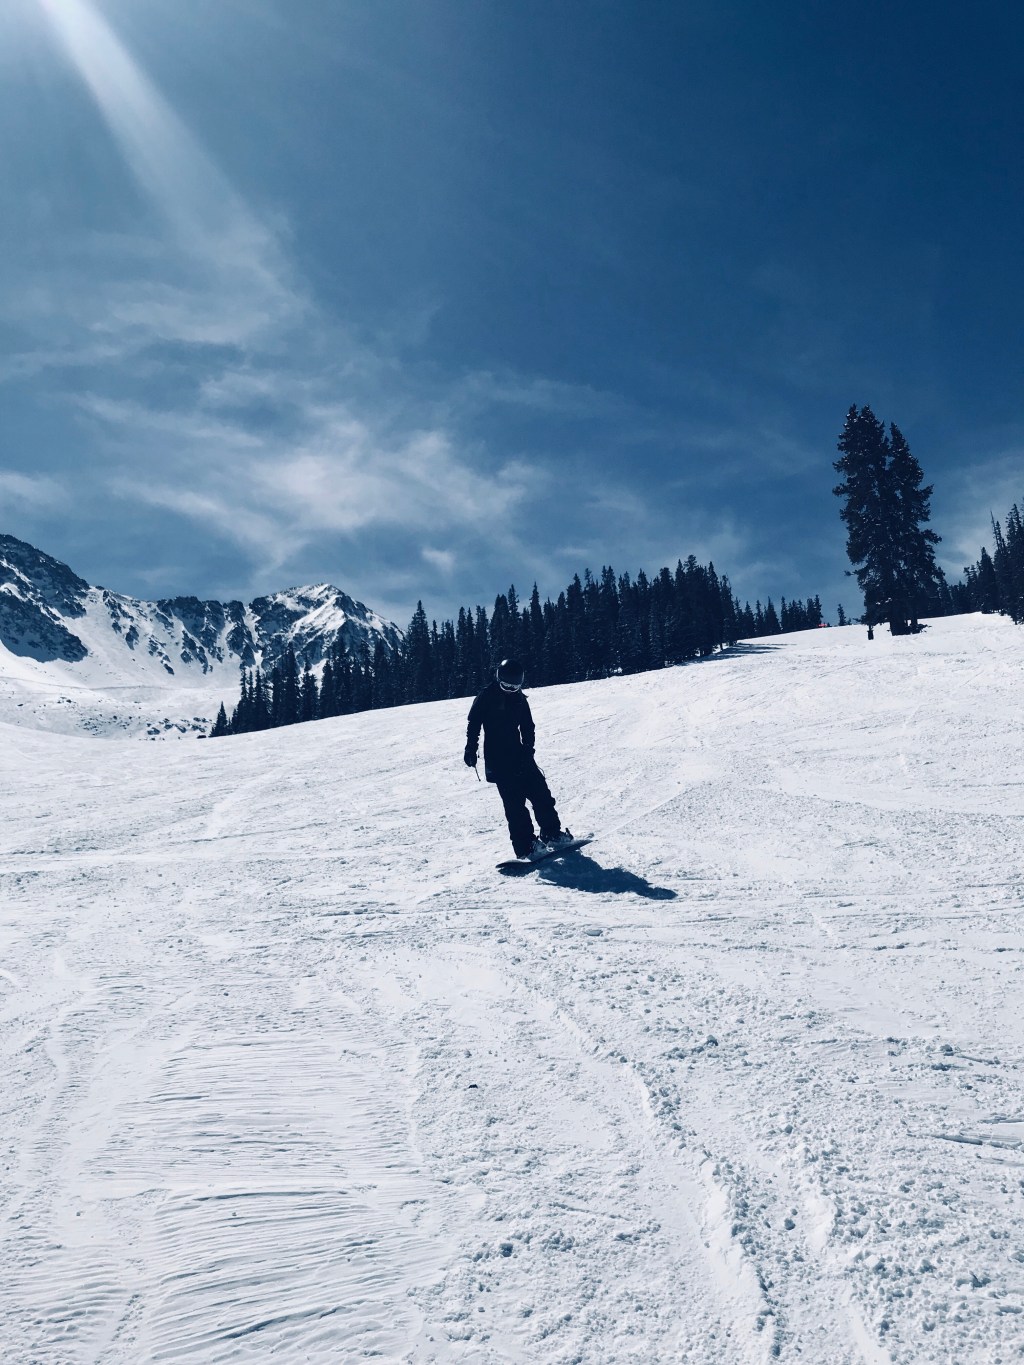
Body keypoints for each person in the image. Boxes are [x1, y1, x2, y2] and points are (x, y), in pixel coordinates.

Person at [464, 657, 574, 861]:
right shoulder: (486, 696)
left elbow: (528, 726)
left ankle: (551, 832)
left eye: (515, 686)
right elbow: (474, 723)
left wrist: (529, 748)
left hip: (519, 754)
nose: (511, 689)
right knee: (515, 805)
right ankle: (525, 846)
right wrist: (471, 748)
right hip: (498, 759)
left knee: (541, 793)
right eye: (507, 685)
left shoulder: (519, 699)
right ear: (498, 679)